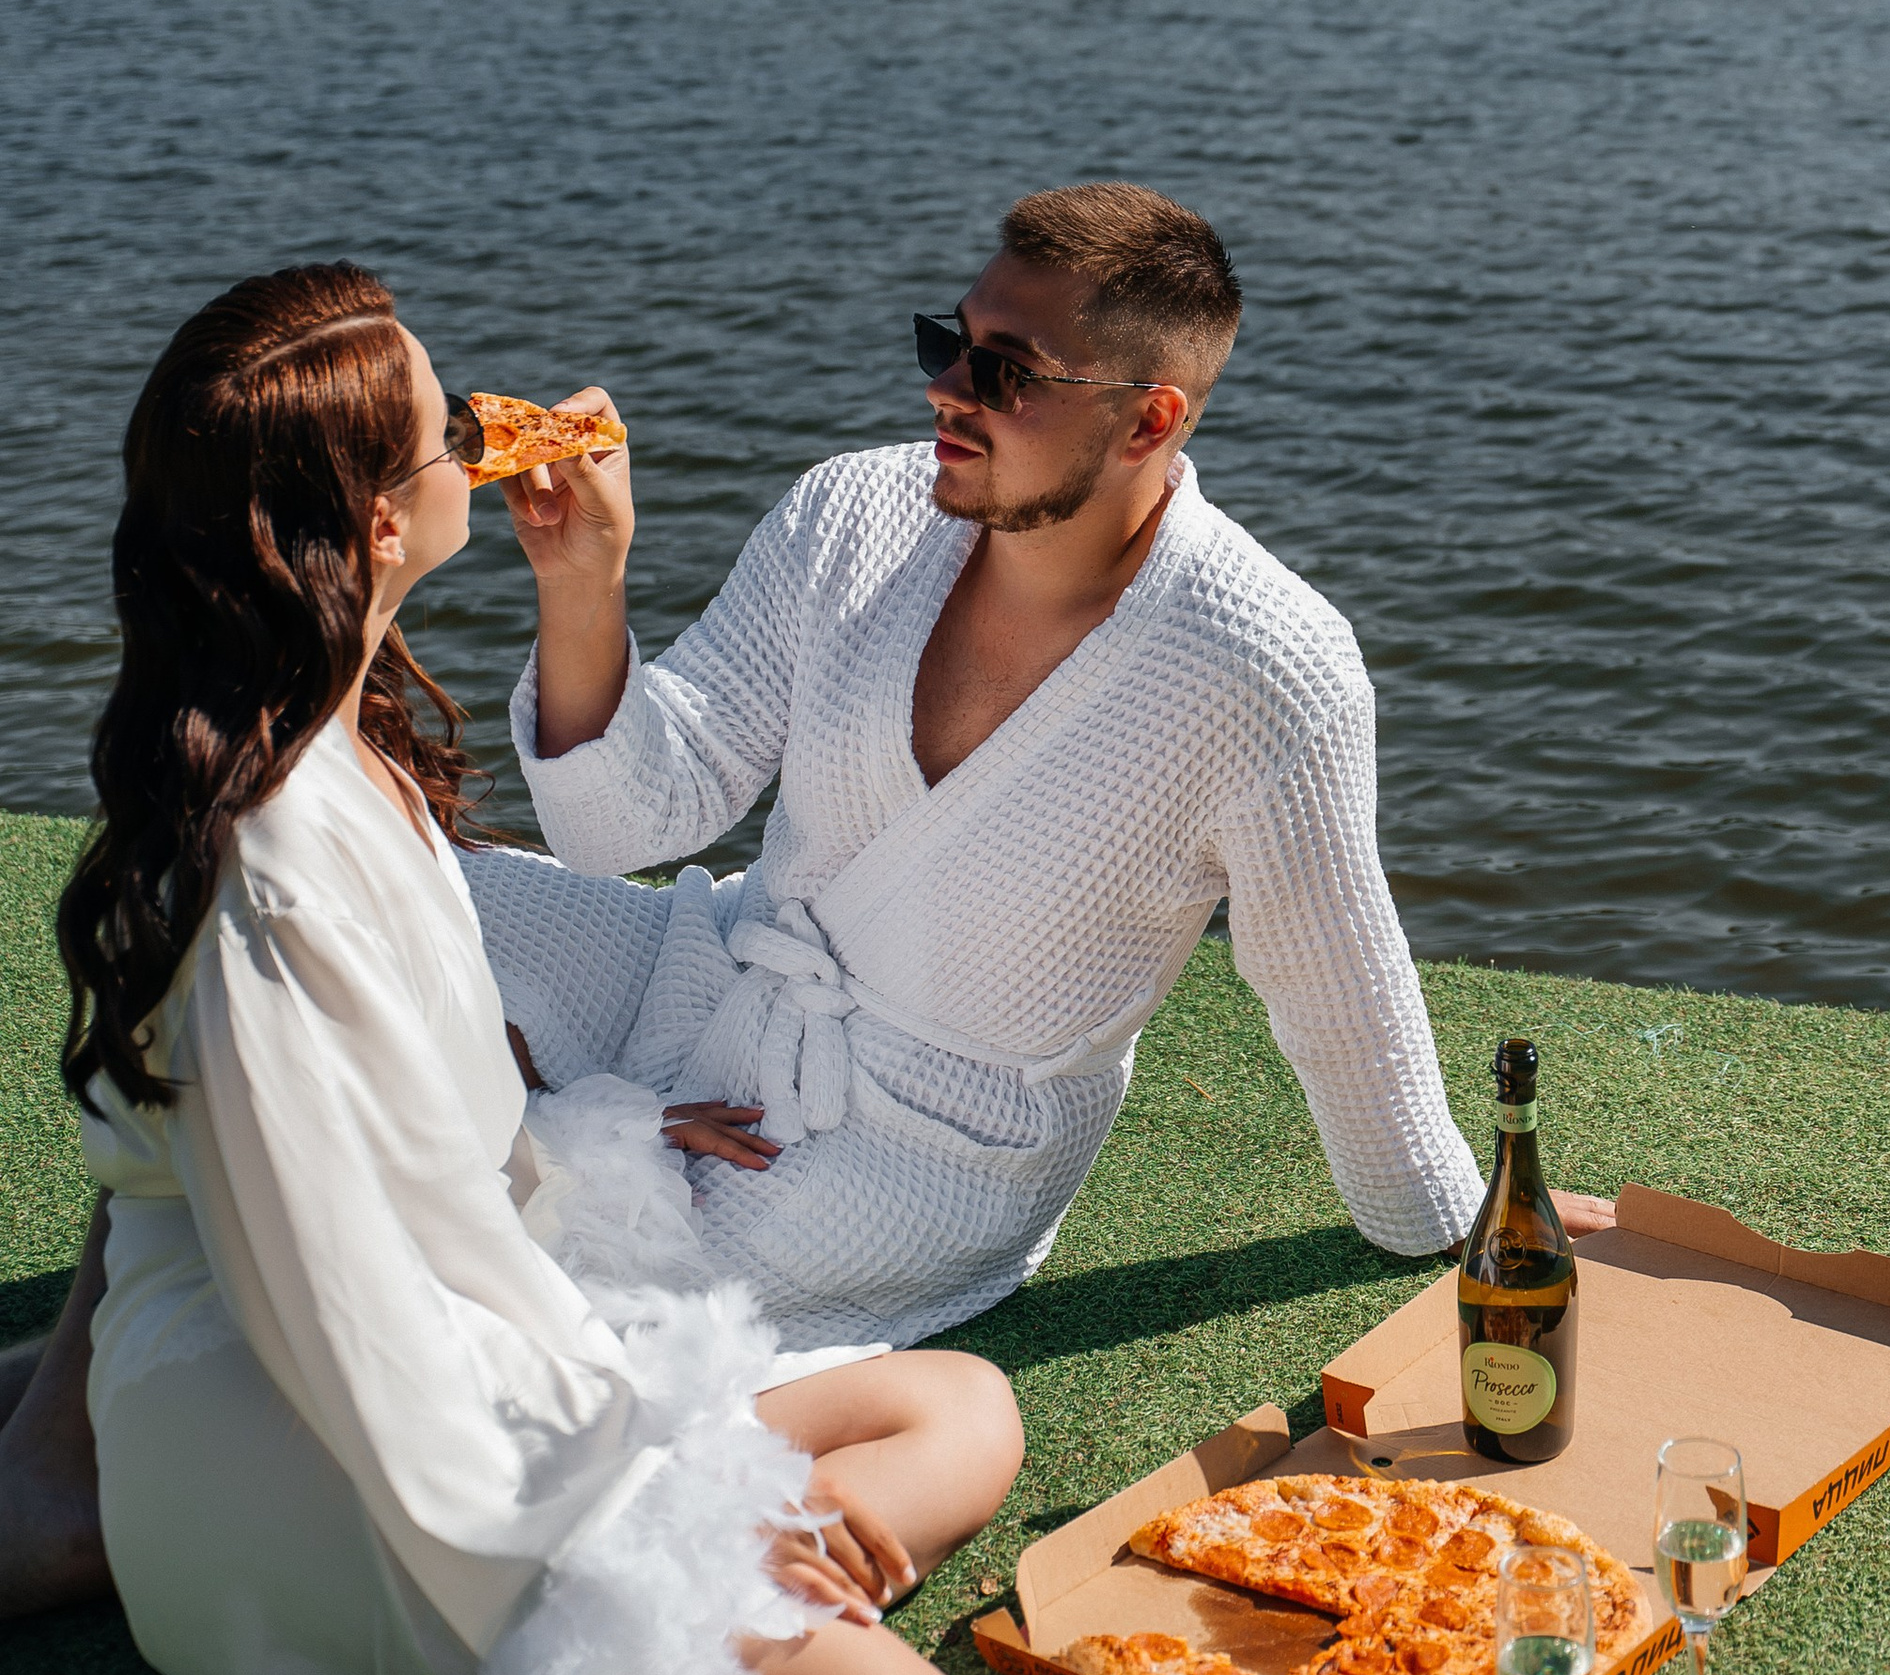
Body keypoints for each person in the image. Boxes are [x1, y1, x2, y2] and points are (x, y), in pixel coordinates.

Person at [10, 262, 1019, 1675]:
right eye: (444, 424)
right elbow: (343, 1293)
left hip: (354, 1366)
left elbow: (387, 1144)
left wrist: (596, 1125)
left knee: (959, 1409)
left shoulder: (319, 737)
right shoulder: (280, 858)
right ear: (376, 520)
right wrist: (637, 1527)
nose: (482, 433)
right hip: (309, 1457)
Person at [464, 184, 1593, 1355]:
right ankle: (570, 1119)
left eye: (1006, 371)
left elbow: (1335, 984)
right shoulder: (853, 511)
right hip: (716, 964)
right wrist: (582, 580)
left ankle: (556, 1130)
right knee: (395, 892)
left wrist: (1462, 1219)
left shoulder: (1264, 666)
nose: (945, 389)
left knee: (574, 1310)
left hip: (912, 1145)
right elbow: (634, 820)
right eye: (948, 342)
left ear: (1148, 421)